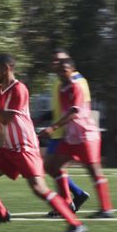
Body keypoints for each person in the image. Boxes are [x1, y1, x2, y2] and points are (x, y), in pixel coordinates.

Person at [0, 53, 87, 232]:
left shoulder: (19, 89)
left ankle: (75, 224)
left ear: (7, 68)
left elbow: (8, 117)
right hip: (8, 147)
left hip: (25, 146)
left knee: (39, 189)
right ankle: (1, 213)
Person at [41, 57, 114, 218]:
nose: (61, 72)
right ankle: (67, 203)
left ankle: (106, 209)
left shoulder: (76, 87)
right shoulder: (61, 88)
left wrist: (53, 127)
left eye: (64, 70)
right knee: (52, 166)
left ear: (72, 71)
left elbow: (74, 112)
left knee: (94, 171)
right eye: (59, 70)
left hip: (86, 135)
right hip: (71, 137)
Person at [44, 49, 92, 214]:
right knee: (52, 167)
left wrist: (61, 127)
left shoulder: (77, 81)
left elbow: (79, 109)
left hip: (67, 131)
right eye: (54, 60)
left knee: (53, 167)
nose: (55, 63)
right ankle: (76, 195)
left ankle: (67, 202)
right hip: (58, 130)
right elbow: (58, 107)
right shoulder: (58, 80)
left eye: (59, 60)